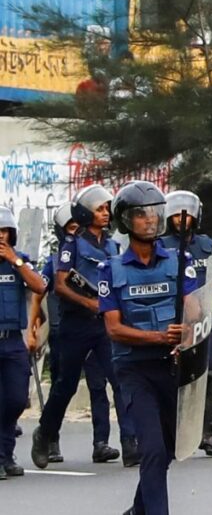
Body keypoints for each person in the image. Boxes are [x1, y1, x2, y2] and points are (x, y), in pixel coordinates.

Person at [101, 181, 199, 515]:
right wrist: (159, 338)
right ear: (125, 221)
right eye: (140, 214)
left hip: (172, 368)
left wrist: (185, 330)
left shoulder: (178, 260)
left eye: (154, 212)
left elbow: (195, 308)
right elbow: (113, 328)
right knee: (153, 450)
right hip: (134, 370)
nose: (150, 220)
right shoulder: (110, 270)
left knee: (169, 449)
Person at [31, 185, 139, 469]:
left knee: (120, 380)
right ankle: (45, 433)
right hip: (76, 325)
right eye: (100, 209)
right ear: (86, 212)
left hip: (104, 325)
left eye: (107, 209)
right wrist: (89, 304)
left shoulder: (113, 246)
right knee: (65, 385)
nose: (105, 214)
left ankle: (130, 443)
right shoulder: (72, 243)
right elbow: (61, 284)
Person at [160, 190, 212, 457]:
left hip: (204, 320)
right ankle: (171, 434)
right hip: (174, 322)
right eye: (176, 214)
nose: (181, 218)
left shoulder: (205, 245)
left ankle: (207, 433)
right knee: (172, 379)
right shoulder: (161, 246)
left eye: (186, 214)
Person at [0, 207, 46, 480]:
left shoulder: (20, 262)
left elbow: (40, 286)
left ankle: (5, 453)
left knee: (16, 399)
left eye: (5, 231)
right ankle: (3, 457)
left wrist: (14, 260)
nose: (1, 236)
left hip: (12, 341)